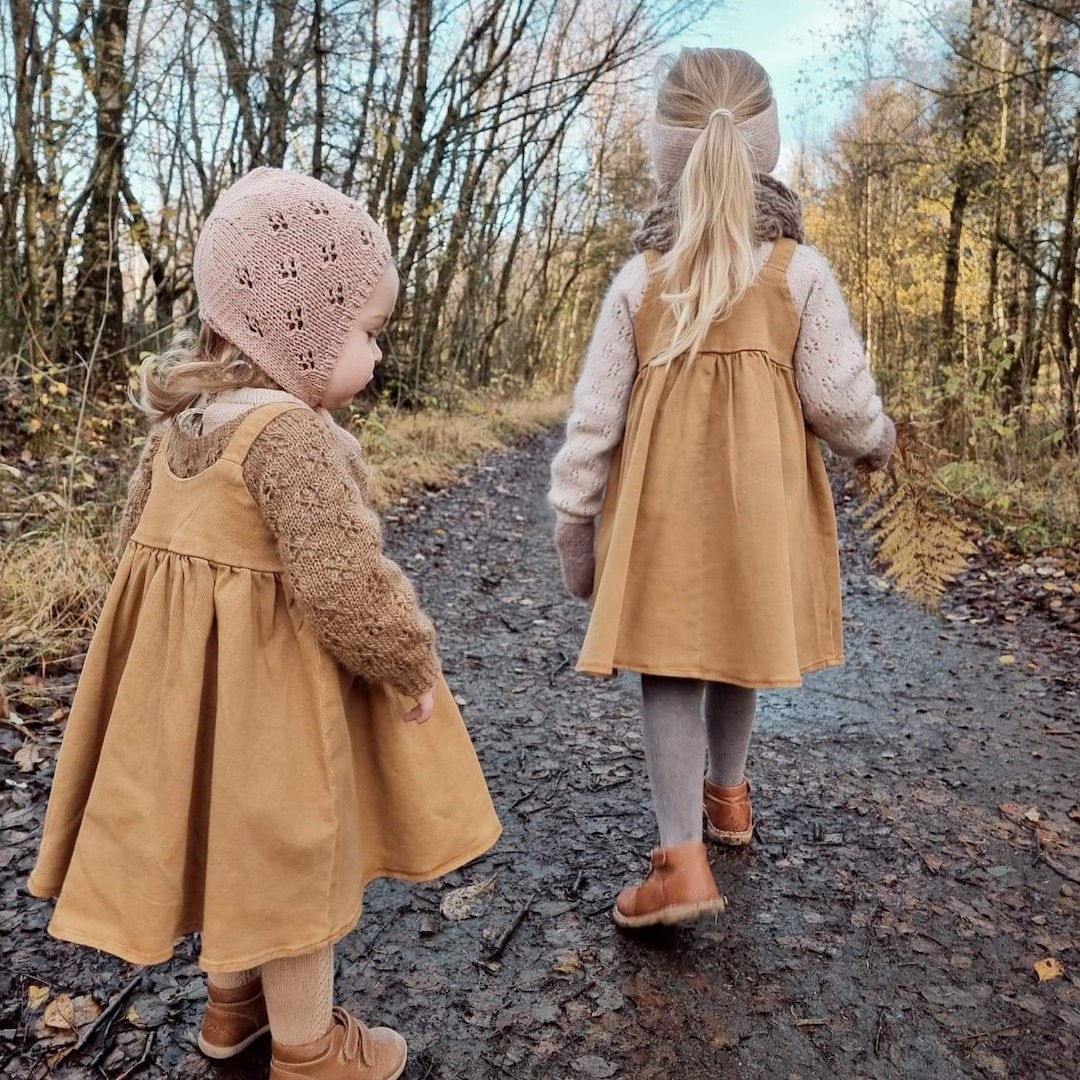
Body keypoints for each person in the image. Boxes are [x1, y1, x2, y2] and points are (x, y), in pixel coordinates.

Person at [29, 167, 501, 1080]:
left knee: (230, 846)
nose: (376, 357)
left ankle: (231, 1010)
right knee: (294, 865)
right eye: (367, 333)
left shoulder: (184, 423)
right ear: (302, 331)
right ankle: (310, 1049)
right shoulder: (287, 434)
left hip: (188, 705)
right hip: (274, 709)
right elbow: (344, 579)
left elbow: (130, 553)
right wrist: (407, 662)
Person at [549, 48, 895, 930]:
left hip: (663, 524)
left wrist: (575, 527)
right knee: (738, 645)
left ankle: (680, 859)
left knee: (671, 669)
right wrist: (876, 443)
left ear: (666, 149)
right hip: (760, 516)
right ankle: (730, 797)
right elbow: (839, 397)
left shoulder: (640, 279)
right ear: (767, 143)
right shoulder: (795, 272)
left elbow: (594, 423)